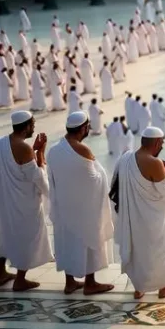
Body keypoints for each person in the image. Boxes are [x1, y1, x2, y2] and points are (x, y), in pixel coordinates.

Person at [47, 111, 115, 295]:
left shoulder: (53, 150)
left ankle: (70, 283)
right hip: (84, 209)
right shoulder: (83, 150)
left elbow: (52, 179)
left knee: (67, 243)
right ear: (83, 128)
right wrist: (103, 177)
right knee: (88, 241)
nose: (89, 129)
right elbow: (95, 179)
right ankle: (90, 283)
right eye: (88, 127)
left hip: (64, 208)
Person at [113, 126, 165, 300]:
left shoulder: (125, 158)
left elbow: (116, 185)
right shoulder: (155, 163)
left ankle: (139, 288)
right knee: (160, 251)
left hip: (132, 217)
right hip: (153, 218)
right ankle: (164, 287)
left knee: (138, 253)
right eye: (162, 143)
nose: (162, 146)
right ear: (157, 143)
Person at [0, 111, 52, 291]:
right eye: (33, 125)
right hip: (23, 203)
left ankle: (0, 273)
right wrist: (40, 154)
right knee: (28, 237)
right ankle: (20, 280)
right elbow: (38, 178)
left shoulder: (1, 142)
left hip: (4, 200)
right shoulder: (24, 148)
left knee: (3, 235)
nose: (34, 128)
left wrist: (33, 150)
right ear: (26, 127)